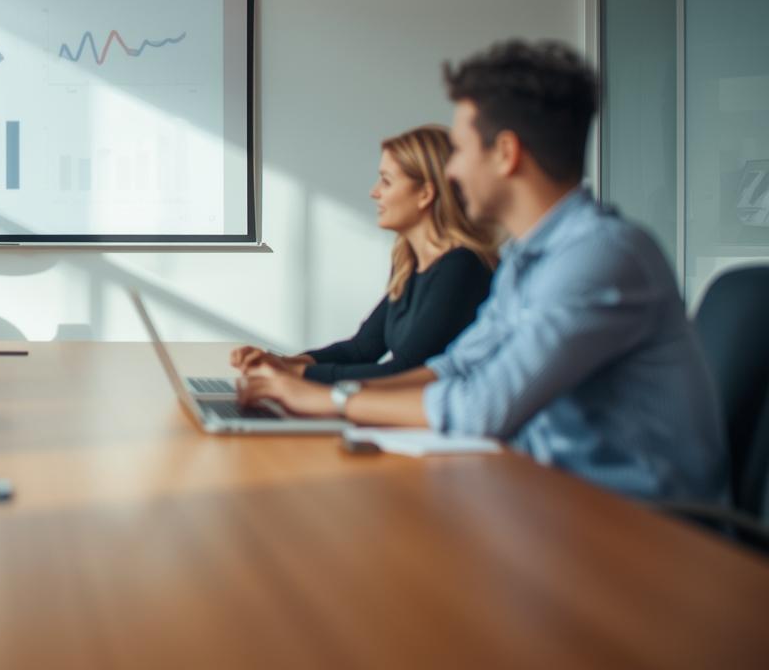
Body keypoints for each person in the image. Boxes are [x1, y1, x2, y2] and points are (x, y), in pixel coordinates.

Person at [238, 41, 727, 504]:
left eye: (462, 150)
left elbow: (482, 408)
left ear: (506, 153)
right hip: (548, 495)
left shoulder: (601, 259)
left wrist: (328, 400)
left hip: (638, 524)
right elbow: (453, 368)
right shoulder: (525, 259)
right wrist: (308, 391)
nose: (451, 172)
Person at [230, 125, 497, 384]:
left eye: (386, 181)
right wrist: (284, 364)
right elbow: (360, 349)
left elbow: (406, 372)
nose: (374, 192)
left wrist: (296, 377)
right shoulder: (410, 263)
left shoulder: (462, 267)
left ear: (425, 194)